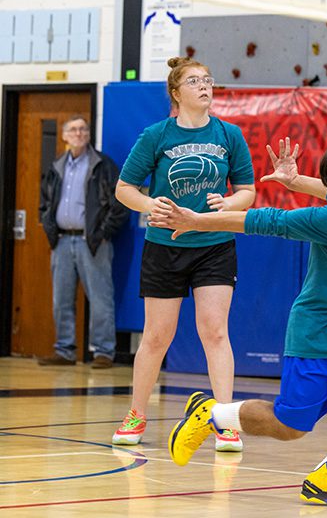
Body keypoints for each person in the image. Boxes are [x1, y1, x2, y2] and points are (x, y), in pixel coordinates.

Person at [150, 133, 327, 508]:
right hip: (319, 337)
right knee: (290, 427)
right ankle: (211, 413)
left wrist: (294, 180)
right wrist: (198, 221)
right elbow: (266, 221)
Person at [112, 57, 256, 453]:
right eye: (194, 81)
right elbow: (124, 188)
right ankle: (136, 414)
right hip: (165, 247)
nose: (205, 86)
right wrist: (148, 205)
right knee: (157, 336)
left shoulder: (230, 134)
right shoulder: (156, 135)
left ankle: (226, 422)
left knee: (215, 332)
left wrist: (229, 203)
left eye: (208, 80)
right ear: (177, 93)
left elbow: (248, 190)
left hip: (213, 245)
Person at [38, 115, 129, 368]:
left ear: (89, 135)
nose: (79, 133)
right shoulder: (57, 166)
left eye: (83, 129)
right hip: (62, 242)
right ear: (65, 136)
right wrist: (50, 229)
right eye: (74, 130)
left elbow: (120, 204)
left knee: (101, 299)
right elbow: (45, 202)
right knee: (61, 299)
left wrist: (102, 234)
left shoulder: (103, 165)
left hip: (93, 242)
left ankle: (103, 352)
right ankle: (64, 350)